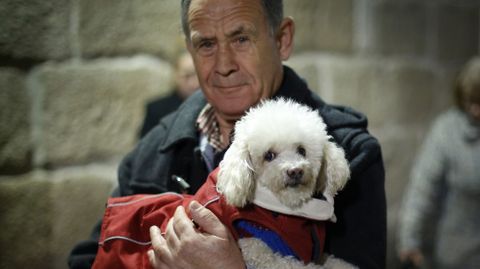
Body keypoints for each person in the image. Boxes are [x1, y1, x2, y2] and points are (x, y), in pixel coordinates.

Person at [68, 0, 386, 268]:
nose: (223, 65)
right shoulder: (153, 154)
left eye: (241, 39)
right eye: (206, 44)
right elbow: (89, 258)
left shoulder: (350, 152)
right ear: (190, 50)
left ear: (282, 40)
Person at [397, 56, 480, 269]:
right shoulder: (446, 130)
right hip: (455, 255)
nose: (475, 111)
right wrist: (410, 240)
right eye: (471, 102)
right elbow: (422, 190)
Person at [139, 51, 199, 138]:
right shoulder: (157, 110)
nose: (194, 83)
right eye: (187, 76)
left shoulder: (213, 107)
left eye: (197, 75)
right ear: (176, 76)